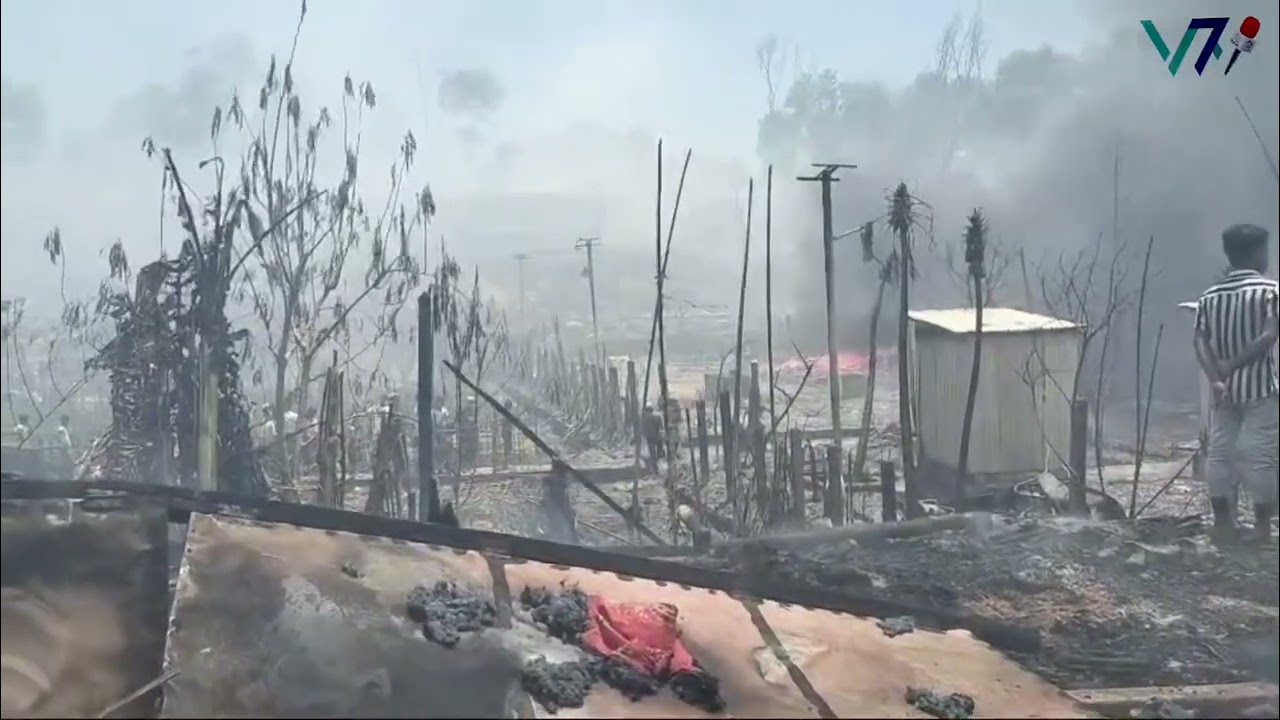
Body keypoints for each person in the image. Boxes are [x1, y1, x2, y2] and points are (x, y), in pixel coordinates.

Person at [1193, 223, 1278, 543]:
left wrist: (1216, 377)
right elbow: (1269, 335)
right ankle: (1261, 528)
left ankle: (1223, 524)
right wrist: (1234, 364)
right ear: (1258, 252)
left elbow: (1199, 342)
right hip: (1259, 388)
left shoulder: (1209, 296)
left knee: (1220, 453)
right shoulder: (1270, 291)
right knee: (1260, 456)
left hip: (1222, 392)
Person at [641, 405, 664, 472]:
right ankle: (657, 462)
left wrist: (643, 436)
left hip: (650, 438)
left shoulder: (644, 419)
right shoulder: (657, 418)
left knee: (652, 453)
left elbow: (642, 430)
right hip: (658, 438)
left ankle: (655, 467)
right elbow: (661, 428)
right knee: (658, 452)